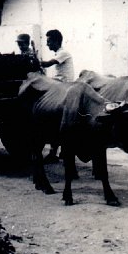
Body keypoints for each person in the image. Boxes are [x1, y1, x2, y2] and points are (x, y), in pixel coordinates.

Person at [40, 29, 74, 162]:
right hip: (59, 85)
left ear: (56, 41)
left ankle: (56, 151)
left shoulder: (63, 53)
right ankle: (55, 152)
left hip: (65, 87)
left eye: (49, 42)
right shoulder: (58, 53)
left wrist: (35, 62)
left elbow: (48, 64)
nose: (47, 44)